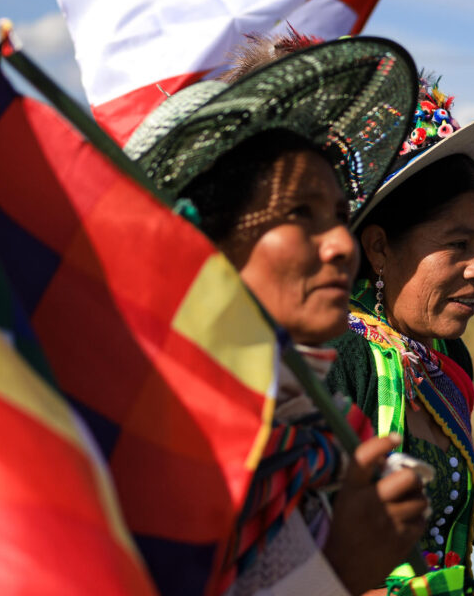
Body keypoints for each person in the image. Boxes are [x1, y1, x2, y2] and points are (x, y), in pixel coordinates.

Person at [124, 37, 430, 595]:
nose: (342, 244)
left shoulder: (305, 426)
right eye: (299, 213)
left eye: (341, 215)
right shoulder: (157, 444)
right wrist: (338, 572)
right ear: (204, 242)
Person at [326, 78, 474, 595]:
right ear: (380, 247)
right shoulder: (340, 358)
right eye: (457, 244)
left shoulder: (444, 357)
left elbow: (433, 496)